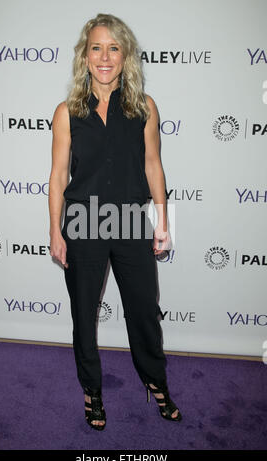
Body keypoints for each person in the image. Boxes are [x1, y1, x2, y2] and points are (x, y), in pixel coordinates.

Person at [48, 13, 182, 431]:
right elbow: (57, 176)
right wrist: (55, 230)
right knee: (84, 315)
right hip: (83, 223)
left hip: (129, 221)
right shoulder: (67, 111)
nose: (104, 57)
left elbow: (154, 166)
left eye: (114, 48)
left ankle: (155, 382)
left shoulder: (144, 107)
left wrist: (161, 222)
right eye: (96, 47)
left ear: (125, 57)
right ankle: (92, 392)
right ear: (84, 56)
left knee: (143, 310)